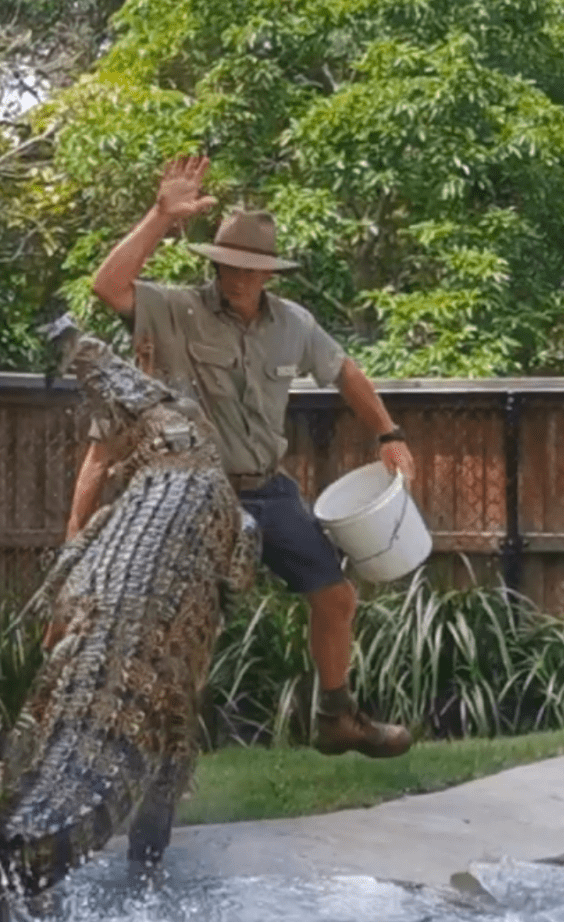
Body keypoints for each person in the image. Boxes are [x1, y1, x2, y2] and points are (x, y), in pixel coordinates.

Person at [66, 155, 416, 758]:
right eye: (229, 263)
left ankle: (336, 716)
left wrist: (387, 433)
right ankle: (138, 736)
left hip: (266, 488)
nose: (238, 275)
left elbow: (344, 371)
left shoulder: (295, 325)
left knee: (335, 596)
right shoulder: (177, 310)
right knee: (178, 621)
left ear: (268, 274)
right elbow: (108, 287)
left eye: (250, 267)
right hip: (191, 492)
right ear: (217, 262)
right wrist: (158, 215)